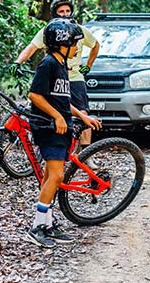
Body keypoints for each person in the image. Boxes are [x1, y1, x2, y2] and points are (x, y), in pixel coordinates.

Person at [26, 18, 102, 248]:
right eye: (74, 43)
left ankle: (47, 223)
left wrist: (81, 115)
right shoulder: (48, 64)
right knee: (57, 176)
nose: (78, 48)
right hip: (49, 127)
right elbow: (35, 96)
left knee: (51, 177)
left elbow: (61, 99)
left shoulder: (62, 65)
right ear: (61, 43)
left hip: (60, 126)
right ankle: (37, 227)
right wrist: (58, 117)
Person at [13, 0, 100, 148]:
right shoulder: (49, 31)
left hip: (75, 77)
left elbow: (95, 45)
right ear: (55, 13)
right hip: (56, 75)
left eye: (68, 10)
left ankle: (86, 152)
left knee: (83, 113)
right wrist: (18, 62)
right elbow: (31, 47)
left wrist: (88, 65)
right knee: (50, 110)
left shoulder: (79, 30)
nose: (65, 14)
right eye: (61, 11)